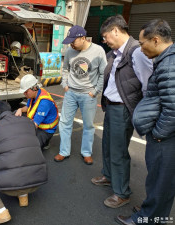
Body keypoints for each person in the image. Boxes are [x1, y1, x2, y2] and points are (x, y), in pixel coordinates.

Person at [116, 19, 175, 225]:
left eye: (142, 43)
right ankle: (152, 211)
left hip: (166, 138)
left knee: (160, 182)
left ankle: (147, 219)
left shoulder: (169, 65)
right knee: (162, 181)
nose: (140, 49)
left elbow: (173, 108)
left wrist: (158, 134)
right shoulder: (167, 59)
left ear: (156, 40)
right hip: (166, 136)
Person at [91, 15, 153, 209]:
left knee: (118, 152)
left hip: (123, 108)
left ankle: (122, 193)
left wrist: (141, 110)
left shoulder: (137, 52)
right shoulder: (115, 53)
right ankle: (109, 176)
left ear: (116, 31)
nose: (105, 41)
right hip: (110, 106)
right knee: (108, 145)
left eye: (105, 37)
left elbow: (149, 84)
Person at [0, 101, 47, 225]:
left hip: (12, 185)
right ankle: (23, 197)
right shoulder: (28, 122)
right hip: (38, 180)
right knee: (23, 157)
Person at [54, 25, 107, 164]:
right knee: (65, 123)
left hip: (88, 95)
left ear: (83, 38)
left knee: (88, 125)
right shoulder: (71, 51)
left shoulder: (98, 51)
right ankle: (64, 151)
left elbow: (103, 73)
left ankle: (86, 153)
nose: (71, 44)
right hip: (70, 93)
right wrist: (64, 85)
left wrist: (95, 91)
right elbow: (65, 69)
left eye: (73, 41)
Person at [15, 74, 59, 149]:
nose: (24, 94)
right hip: (37, 123)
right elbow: (28, 107)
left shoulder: (44, 103)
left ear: (34, 88)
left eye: (26, 92)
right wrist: (20, 110)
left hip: (45, 130)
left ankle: (46, 142)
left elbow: (34, 125)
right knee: (15, 113)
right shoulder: (34, 94)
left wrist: (20, 133)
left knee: (31, 147)